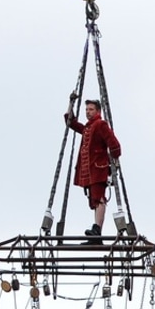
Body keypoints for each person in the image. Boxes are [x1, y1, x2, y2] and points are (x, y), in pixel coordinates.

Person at [64, 95, 121, 239]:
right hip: (89, 170)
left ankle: (97, 229)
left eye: (91, 109)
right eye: (86, 109)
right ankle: (96, 231)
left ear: (98, 111)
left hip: (98, 169)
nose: (88, 112)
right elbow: (71, 122)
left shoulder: (100, 124)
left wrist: (114, 161)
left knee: (99, 198)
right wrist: (71, 103)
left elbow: (114, 144)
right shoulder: (88, 128)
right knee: (94, 200)